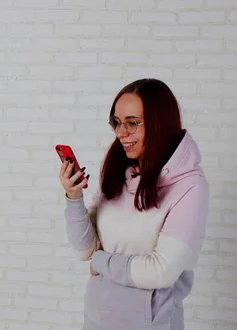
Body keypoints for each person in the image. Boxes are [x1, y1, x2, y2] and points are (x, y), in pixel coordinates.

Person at [59, 78, 209, 330]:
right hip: (97, 318)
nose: (121, 133)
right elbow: (84, 249)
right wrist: (74, 198)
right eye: (117, 123)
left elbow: (161, 271)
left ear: (160, 124)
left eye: (133, 123)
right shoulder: (120, 172)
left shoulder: (191, 187)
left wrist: (101, 262)